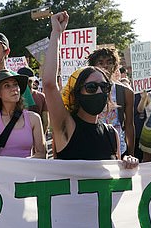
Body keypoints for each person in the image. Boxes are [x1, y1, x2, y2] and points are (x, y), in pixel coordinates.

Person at [41, 11, 138, 169]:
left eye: (104, 87)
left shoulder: (112, 134)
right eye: (92, 87)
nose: (99, 92)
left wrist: (128, 165)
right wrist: (56, 34)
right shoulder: (66, 126)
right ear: (78, 93)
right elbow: (49, 84)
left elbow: (115, 178)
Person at [88, 47, 135, 156]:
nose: (105, 66)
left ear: (115, 66)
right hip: (92, 146)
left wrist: (131, 153)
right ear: (93, 66)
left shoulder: (125, 92)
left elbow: (129, 125)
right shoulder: (86, 89)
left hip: (118, 149)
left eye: (109, 62)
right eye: (100, 62)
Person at [18, 67, 49, 135]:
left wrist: (40, 138)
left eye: (29, 81)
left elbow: (45, 121)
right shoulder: (15, 97)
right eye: (24, 81)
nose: (27, 84)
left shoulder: (41, 96)